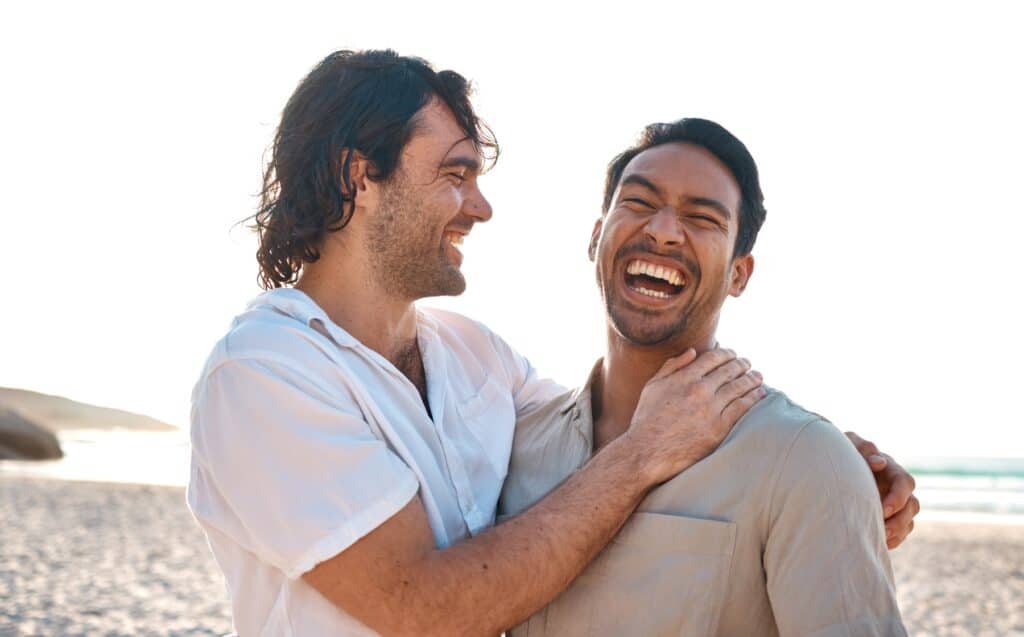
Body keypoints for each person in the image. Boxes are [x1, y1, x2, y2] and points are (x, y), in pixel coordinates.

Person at [187, 50, 917, 636]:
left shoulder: (474, 357)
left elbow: (593, 421)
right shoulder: (262, 374)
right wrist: (643, 452)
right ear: (360, 176)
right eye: (456, 175)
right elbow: (421, 608)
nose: (481, 205)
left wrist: (828, 467)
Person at [499, 118, 910, 636]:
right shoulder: (512, 445)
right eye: (640, 203)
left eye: (702, 218)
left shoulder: (807, 461)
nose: (664, 231)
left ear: (740, 274)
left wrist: (833, 472)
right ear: (595, 236)